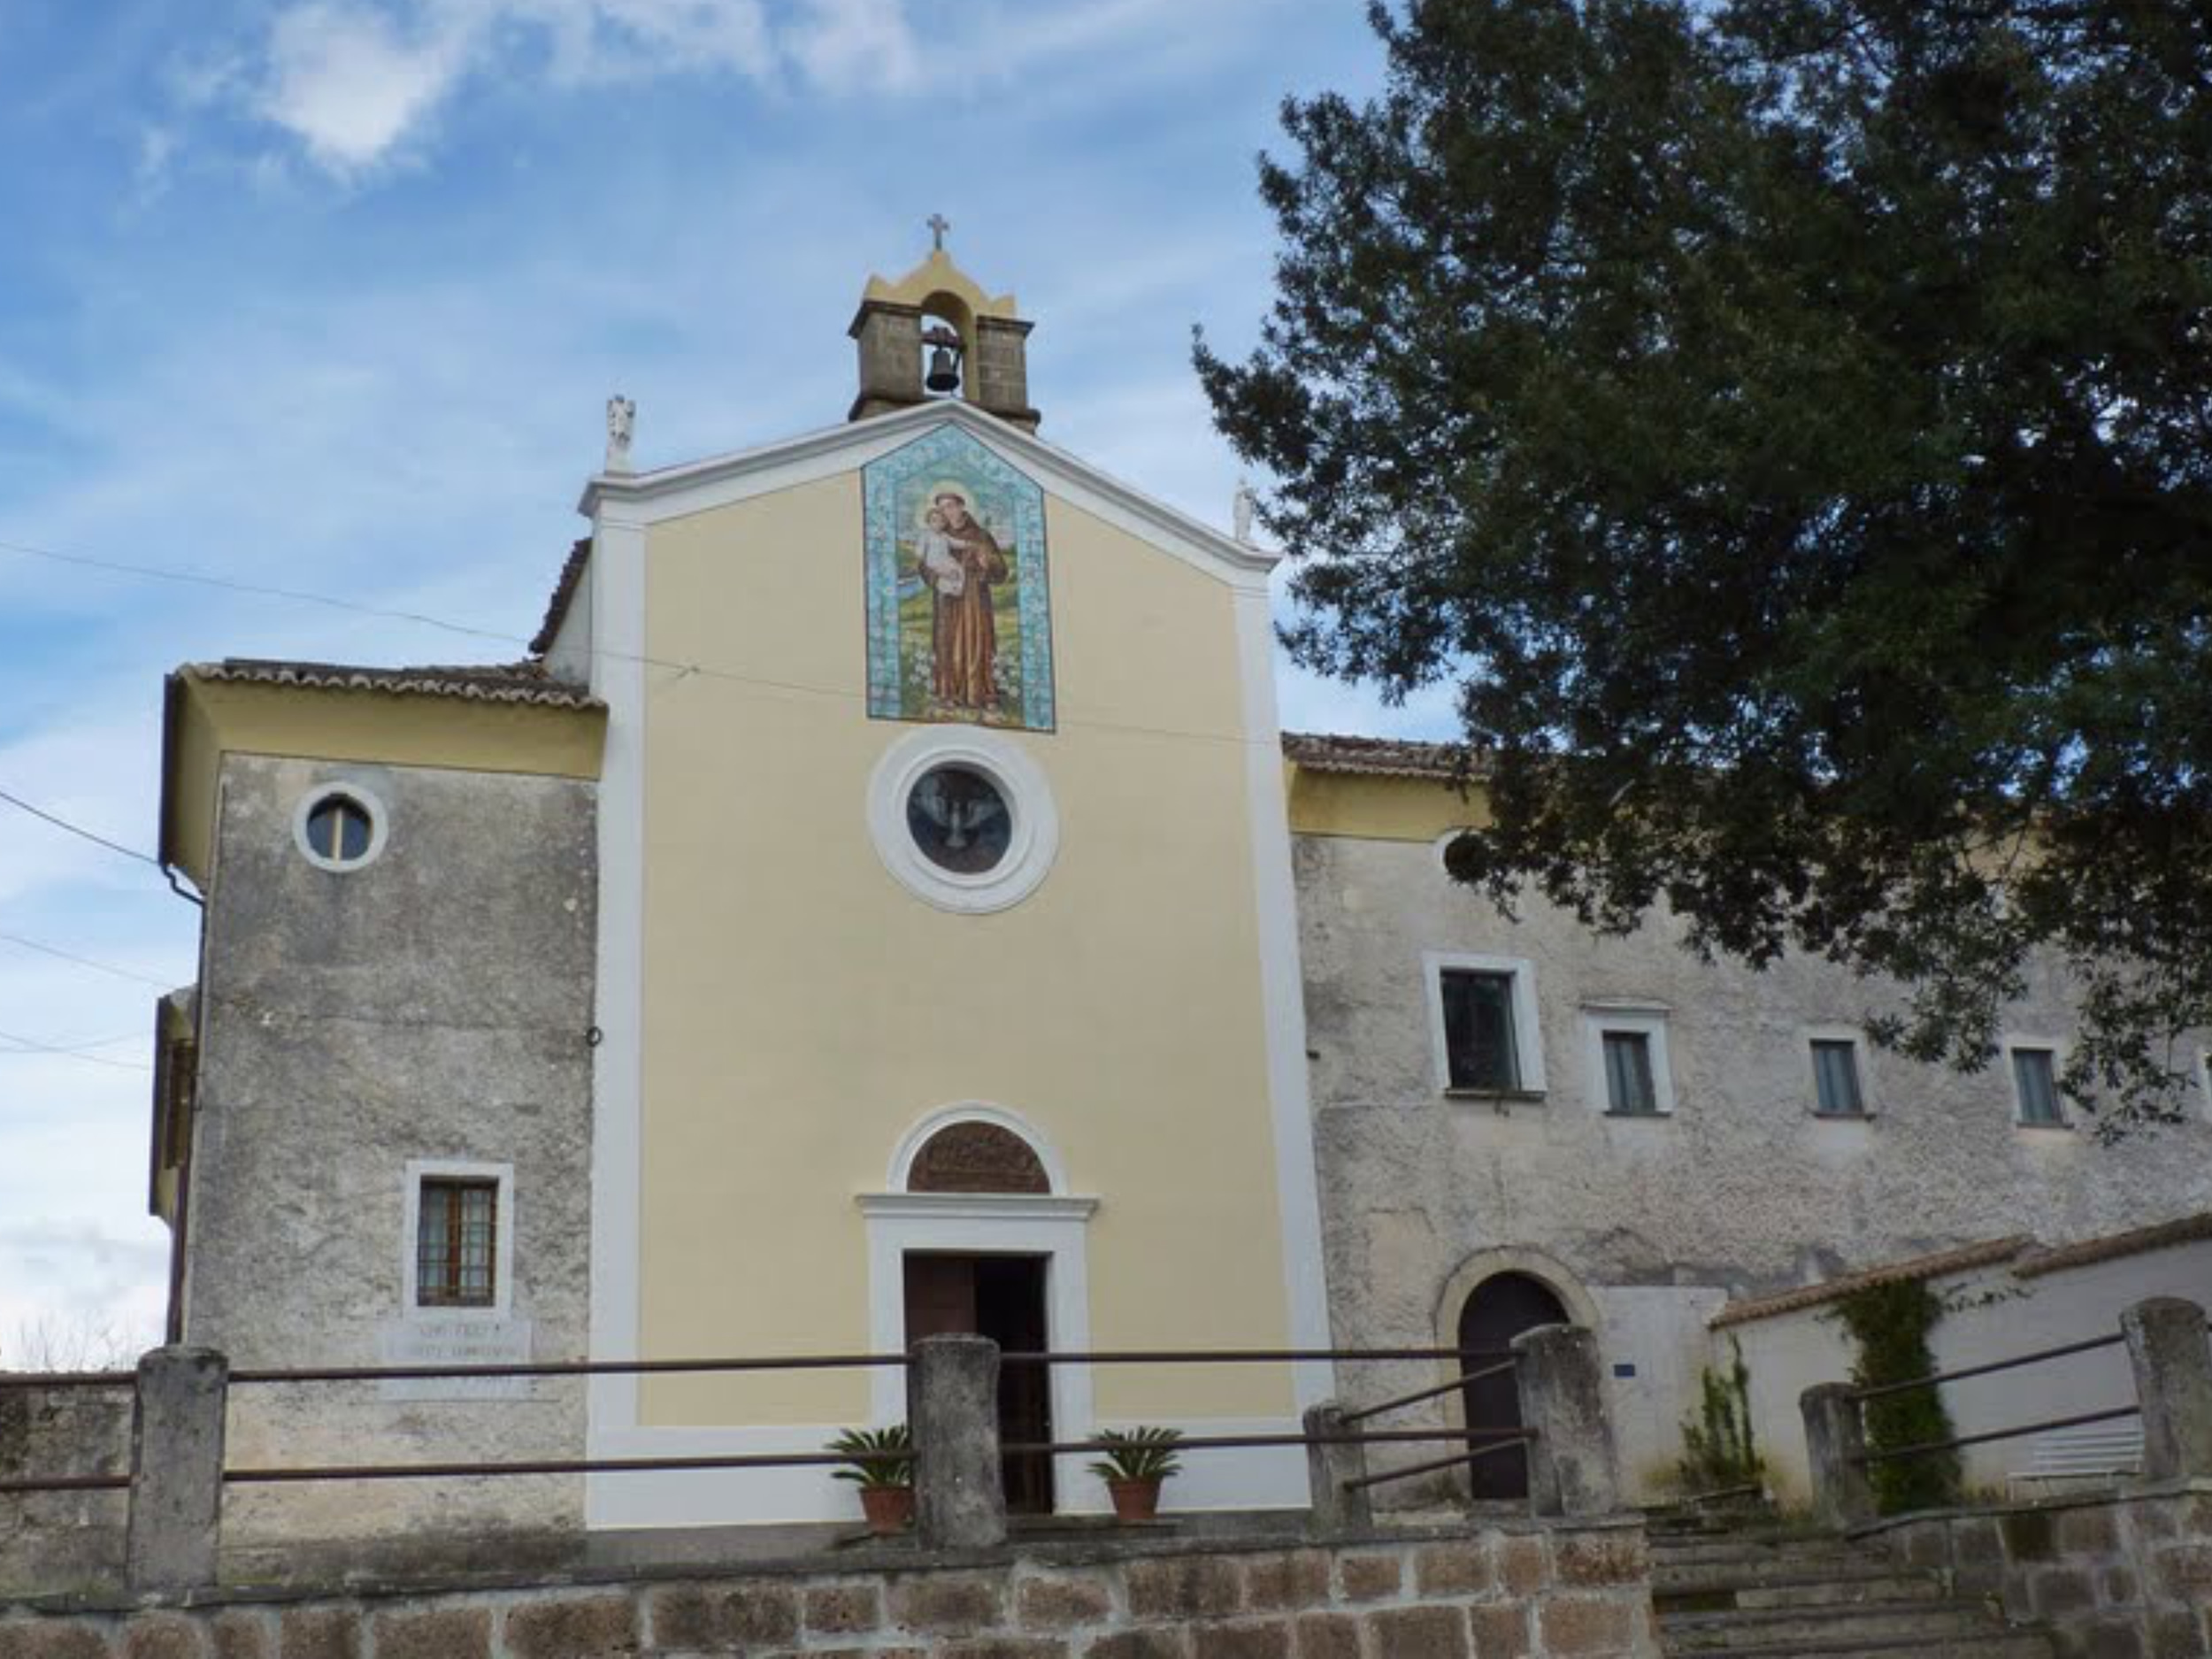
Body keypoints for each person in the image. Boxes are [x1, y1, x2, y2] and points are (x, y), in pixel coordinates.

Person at [919, 488, 1009, 711]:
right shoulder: (937, 535)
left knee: (976, 641)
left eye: (950, 506)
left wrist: (987, 564)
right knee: (947, 643)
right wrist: (937, 574)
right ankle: (948, 693)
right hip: (947, 598)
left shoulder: (980, 536)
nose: (946, 512)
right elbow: (923, 565)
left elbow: (1001, 571)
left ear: (961, 506)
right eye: (941, 508)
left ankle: (980, 693)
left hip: (974, 599)